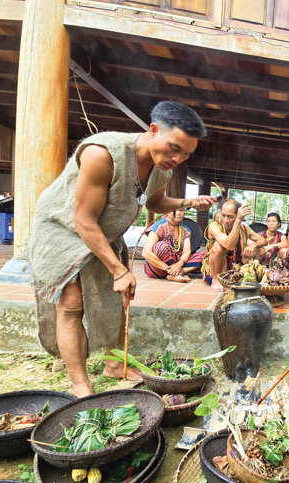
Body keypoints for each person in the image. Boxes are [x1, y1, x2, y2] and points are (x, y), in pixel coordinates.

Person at [30, 101, 215, 397]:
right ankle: (80, 384)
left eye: (186, 154)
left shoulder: (162, 168)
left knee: (119, 299)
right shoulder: (102, 154)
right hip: (62, 227)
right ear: (153, 130)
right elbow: (83, 218)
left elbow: (153, 202)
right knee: (72, 302)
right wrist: (118, 270)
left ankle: (114, 365)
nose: (177, 158)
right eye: (173, 148)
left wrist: (187, 202)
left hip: (103, 229)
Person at [202, 199, 267, 292]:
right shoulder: (214, 227)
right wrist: (237, 221)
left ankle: (248, 274)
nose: (226, 220)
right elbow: (229, 245)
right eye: (223, 215)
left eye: (230, 217)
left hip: (236, 267)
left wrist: (253, 245)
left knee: (260, 250)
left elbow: (264, 240)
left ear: (237, 215)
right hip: (217, 269)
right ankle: (216, 280)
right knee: (218, 246)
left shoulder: (244, 228)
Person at [143, 208, 200, 282]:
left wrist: (178, 265)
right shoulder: (159, 226)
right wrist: (167, 268)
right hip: (157, 268)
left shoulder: (185, 230)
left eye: (181, 210)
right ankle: (174, 273)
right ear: (166, 212)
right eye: (174, 210)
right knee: (162, 246)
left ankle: (181, 272)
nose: (178, 213)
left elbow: (186, 252)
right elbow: (146, 253)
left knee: (206, 256)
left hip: (177, 265)